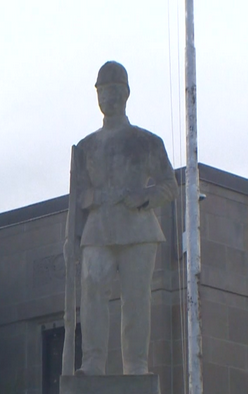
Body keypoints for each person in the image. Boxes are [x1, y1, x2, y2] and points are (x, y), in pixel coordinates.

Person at [64, 61, 178, 376]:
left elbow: (170, 185)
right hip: (97, 229)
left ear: (126, 94)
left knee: (137, 299)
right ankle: (93, 362)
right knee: (92, 293)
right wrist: (71, 239)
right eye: (102, 90)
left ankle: (137, 365)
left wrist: (144, 197)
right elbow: (76, 199)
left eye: (114, 90)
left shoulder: (147, 141)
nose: (108, 97)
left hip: (138, 228)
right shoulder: (85, 147)